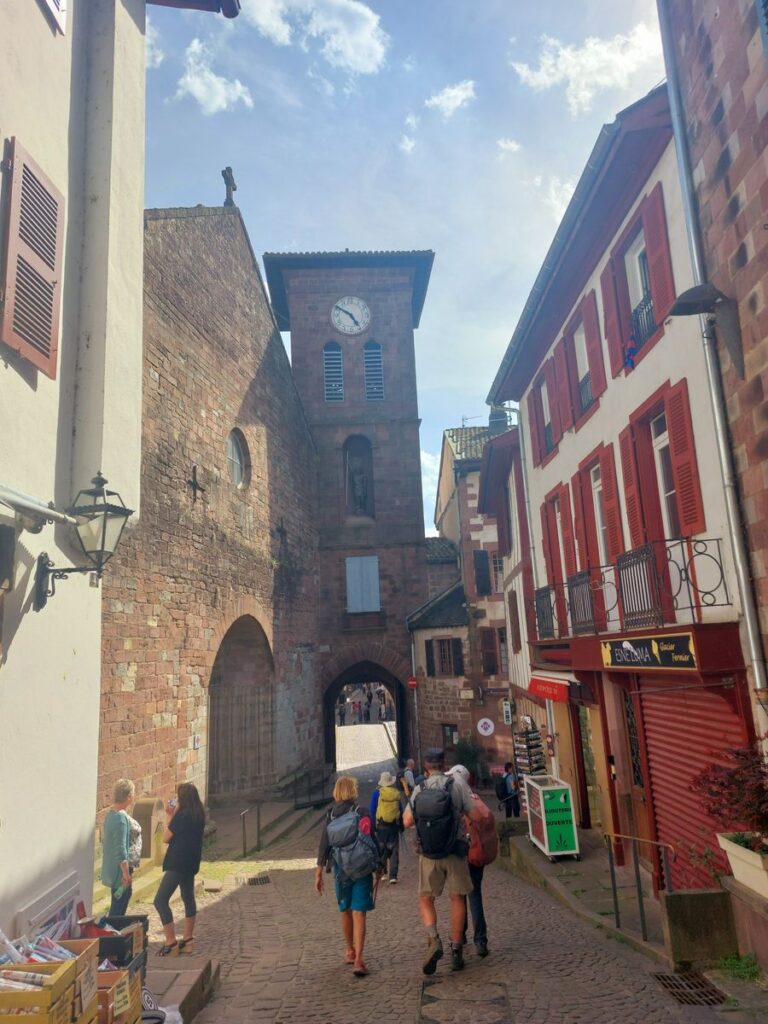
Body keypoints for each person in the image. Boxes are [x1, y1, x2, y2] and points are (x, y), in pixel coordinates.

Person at [403, 748, 484, 974]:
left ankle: (433, 938)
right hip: (455, 851)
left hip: (429, 854)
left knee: (426, 899)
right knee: (457, 898)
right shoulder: (456, 786)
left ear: (426, 766)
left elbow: (406, 821)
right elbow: (477, 816)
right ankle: (457, 949)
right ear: (444, 764)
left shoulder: (420, 788)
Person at [316, 775, 380, 977]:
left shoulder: (331, 815)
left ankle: (349, 950)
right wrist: (380, 864)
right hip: (361, 868)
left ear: (336, 792)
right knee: (358, 912)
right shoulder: (362, 812)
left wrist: (318, 872)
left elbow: (324, 844)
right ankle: (359, 960)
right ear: (353, 791)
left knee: (345, 909)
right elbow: (371, 837)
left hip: (340, 869)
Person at [447, 765, 499, 959]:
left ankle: (461, 935)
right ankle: (481, 941)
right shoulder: (475, 798)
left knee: (459, 895)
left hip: (461, 853)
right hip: (478, 853)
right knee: (475, 895)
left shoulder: (456, 799)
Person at [154, 782, 206, 956]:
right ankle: (188, 939)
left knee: (160, 900)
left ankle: (171, 943)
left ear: (183, 799)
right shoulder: (199, 813)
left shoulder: (182, 815)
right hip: (191, 861)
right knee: (188, 897)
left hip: (178, 862)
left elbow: (166, 838)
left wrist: (170, 815)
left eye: (177, 797)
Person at [101, 779, 137, 915]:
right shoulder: (120, 819)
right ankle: (111, 929)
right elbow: (121, 849)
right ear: (128, 797)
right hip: (119, 873)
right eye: (133, 794)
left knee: (119, 903)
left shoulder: (110, 815)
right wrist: (126, 873)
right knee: (118, 909)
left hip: (113, 869)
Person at [369, 770, 403, 884]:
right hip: (393, 825)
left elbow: (372, 810)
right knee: (394, 850)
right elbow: (400, 809)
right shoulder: (395, 793)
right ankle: (393, 876)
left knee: (381, 849)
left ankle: (383, 872)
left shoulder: (377, 793)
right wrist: (401, 825)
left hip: (381, 825)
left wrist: (373, 826)